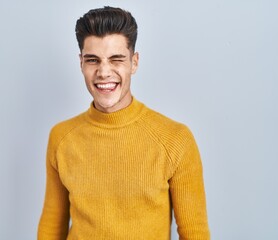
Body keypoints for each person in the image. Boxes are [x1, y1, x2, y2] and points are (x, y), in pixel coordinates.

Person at [38, 6, 210, 240]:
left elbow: (194, 233)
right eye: (92, 60)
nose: (103, 72)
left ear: (134, 62)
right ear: (81, 63)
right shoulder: (61, 137)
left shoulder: (175, 140)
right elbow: (51, 228)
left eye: (116, 59)